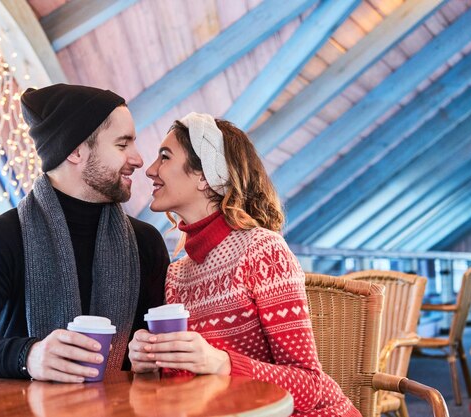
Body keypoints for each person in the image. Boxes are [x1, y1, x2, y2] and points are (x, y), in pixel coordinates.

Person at [0, 84, 169, 383]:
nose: (138, 159)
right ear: (75, 151)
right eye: (122, 145)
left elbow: (159, 352)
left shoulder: (145, 243)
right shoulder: (2, 236)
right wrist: (29, 356)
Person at [128, 113, 361, 416]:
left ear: (204, 176)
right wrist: (147, 364)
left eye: (165, 157)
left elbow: (309, 386)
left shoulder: (262, 251)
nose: (150, 170)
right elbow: (191, 384)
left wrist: (221, 362)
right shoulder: (177, 274)